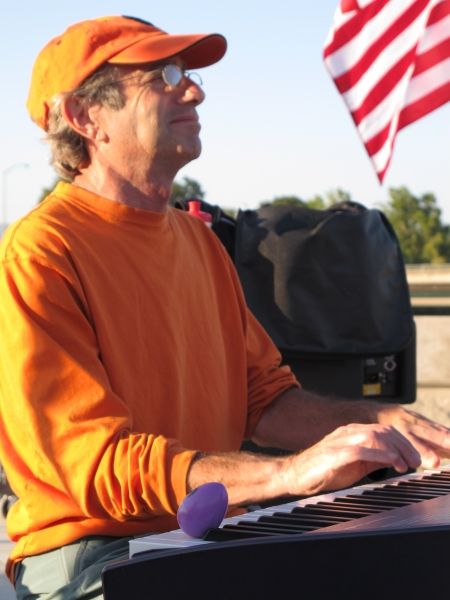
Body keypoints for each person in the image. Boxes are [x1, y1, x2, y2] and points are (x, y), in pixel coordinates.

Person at [0, 15, 450, 600]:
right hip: (93, 550)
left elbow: (263, 401)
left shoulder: (199, 243)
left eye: (188, 75)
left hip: (209, 533)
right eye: (164, 76)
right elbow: (95, 464)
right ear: (86, 117)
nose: (194, 91)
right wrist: (286, 474)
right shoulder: (39, 253)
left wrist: (383, 424)